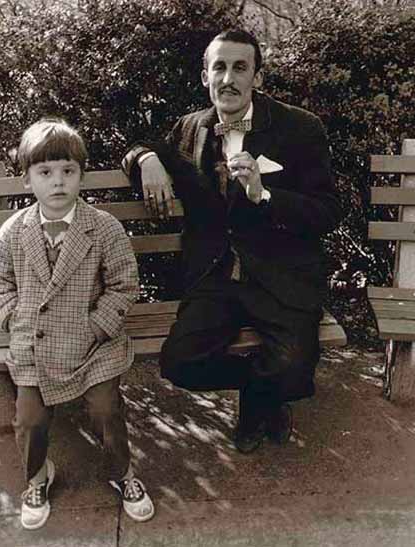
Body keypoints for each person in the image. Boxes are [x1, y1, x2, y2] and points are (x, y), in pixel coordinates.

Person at [121, 29, 343, 454]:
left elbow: (328, 211)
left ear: (257, 77)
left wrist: (265, 196)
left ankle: (262, 401)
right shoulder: (191, 128)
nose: (229, 78)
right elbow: (137, 146)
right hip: (216, 277)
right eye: (219, 67)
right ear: (205, 76)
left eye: (240, 67)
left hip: (281, 274)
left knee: (296, 368)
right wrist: (147, 159)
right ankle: (263, 394)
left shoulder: (299, 128)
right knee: (179, 363)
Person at [0, 118, 154, 530]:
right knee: (28, 419)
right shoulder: (13, 232)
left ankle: (122, 472)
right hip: (35, 344)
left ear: (81, 174)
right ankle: (38, 476)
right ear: (28, 179)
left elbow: (123, 284)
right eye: (45, 173)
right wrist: (14, 319)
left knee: (105, 409)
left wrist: (98, 326)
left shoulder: (103, 229)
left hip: (94, 345)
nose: (57, 182)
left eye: (68, 171)